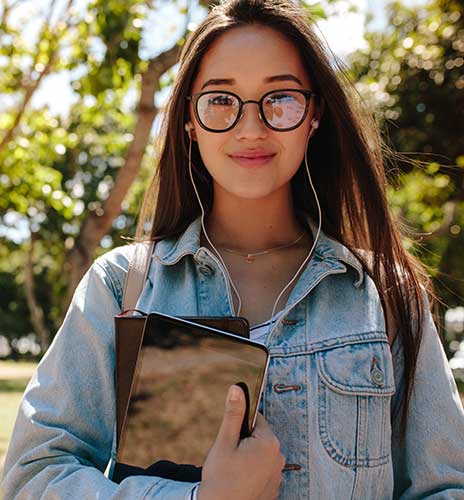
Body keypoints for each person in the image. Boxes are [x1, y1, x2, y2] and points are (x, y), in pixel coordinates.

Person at [3, 0, 464, 498]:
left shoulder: (386, 295)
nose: (251, 128)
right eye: (221, 100)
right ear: (188, 120)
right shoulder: (120, 286)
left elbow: (444, 487)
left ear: (313, 116)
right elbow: (35, 472)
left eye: (280, 97)